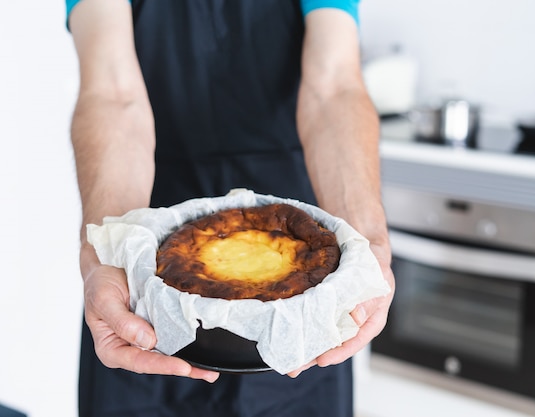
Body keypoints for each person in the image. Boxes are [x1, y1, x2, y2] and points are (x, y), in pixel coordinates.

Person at [66, 0, 395, 416]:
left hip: (298, 267)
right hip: (145, 265)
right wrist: (105, 255)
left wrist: (370, 244)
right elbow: (113, 94)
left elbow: (333, 88)